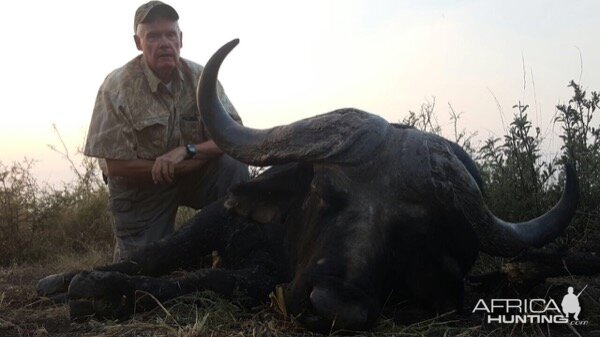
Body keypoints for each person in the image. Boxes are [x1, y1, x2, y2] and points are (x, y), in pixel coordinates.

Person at [84, 1, 249, 261]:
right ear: (138, 42)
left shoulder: (201, 78)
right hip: (142, 188)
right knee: (138, 273)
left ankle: (233, 251)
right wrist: (163, 166)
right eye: (153, 36)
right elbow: (114, 166)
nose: (164, 43)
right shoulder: (116, 87)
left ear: (181, 39)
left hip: (196, 175)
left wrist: (187, 151)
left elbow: (233, 137)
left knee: (233, 164)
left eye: (170, 34)